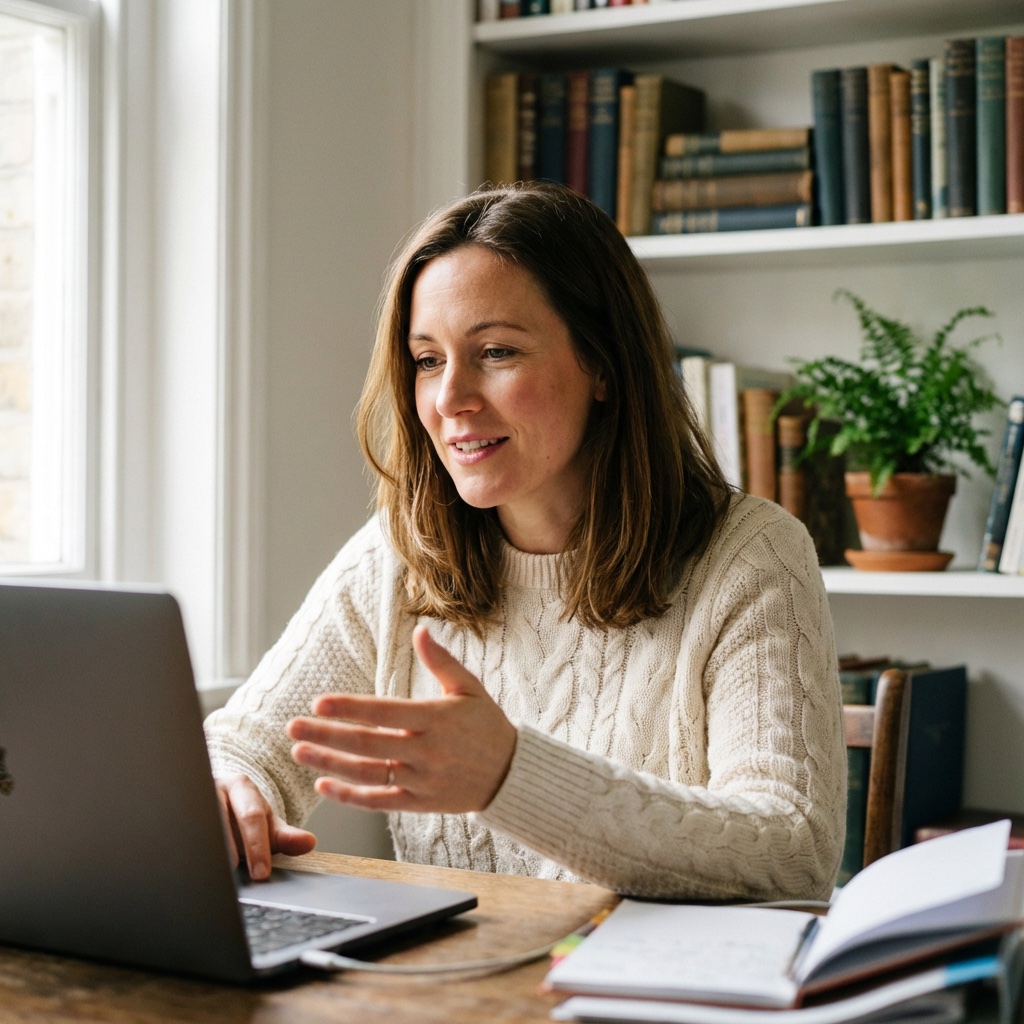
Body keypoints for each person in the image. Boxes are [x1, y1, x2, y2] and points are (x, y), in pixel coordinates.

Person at [204, 181, 845, 902]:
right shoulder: (401, 551)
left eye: (496, 352)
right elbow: (242, 745)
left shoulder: (752, 558)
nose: (450, 400)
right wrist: (237, 790)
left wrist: (512, 775)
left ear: (604, 365)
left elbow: (793, 846)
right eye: (427, 360)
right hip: (454, 994)